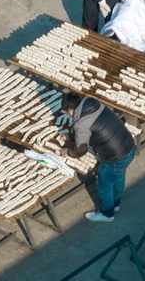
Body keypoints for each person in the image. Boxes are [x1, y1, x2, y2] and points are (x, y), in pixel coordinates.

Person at [58, 92, 135, 223]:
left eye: (67, 112)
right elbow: (93, 129)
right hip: (129, 146)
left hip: (115, 157)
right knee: (119, 176)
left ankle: (107, 214)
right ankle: (115, 204)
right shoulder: (93, 103)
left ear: (71, 111)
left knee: (104, 185)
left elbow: (81, 149)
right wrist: (70, 136)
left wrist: (68, 151)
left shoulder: (81, 124)